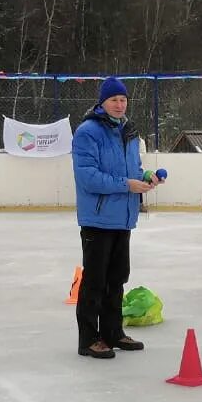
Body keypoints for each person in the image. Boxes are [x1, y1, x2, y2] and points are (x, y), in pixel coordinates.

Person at [72, 76, 159, 358]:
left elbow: (133, 167)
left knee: (117, 278)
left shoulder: (128, 132)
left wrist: (145, 176)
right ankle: (89, 339)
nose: (120, 105)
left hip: (123, 218)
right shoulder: (88, 132)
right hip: (97, 220)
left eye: (123, 100)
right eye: (114, 100)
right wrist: (127, 185)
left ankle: (113, 332)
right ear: (102, 102)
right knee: (95, 281)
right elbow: (88, 177)